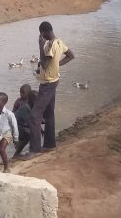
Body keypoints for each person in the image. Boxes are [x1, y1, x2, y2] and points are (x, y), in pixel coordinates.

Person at [23, 21, 75, 161]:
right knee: (49, 113)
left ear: (44, 32)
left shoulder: (49, 45)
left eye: (41, 34)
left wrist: (40, 46)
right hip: (54, 80)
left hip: (47, 84)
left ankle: (34, 150)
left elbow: (45, 65)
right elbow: (71, 55)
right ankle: (50, 144)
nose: (41, 37)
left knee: (34, 116)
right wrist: (57, 65)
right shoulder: (59, 42)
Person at [13, 90, 36, 158]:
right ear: (30, 100)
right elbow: (29, 122)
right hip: (16, 126)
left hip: (19, 124)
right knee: (27, 137)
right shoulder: (26, 107)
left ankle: (18, 152)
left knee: (25, 138)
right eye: (36, 100)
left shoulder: (29, 106)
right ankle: (16, 154)